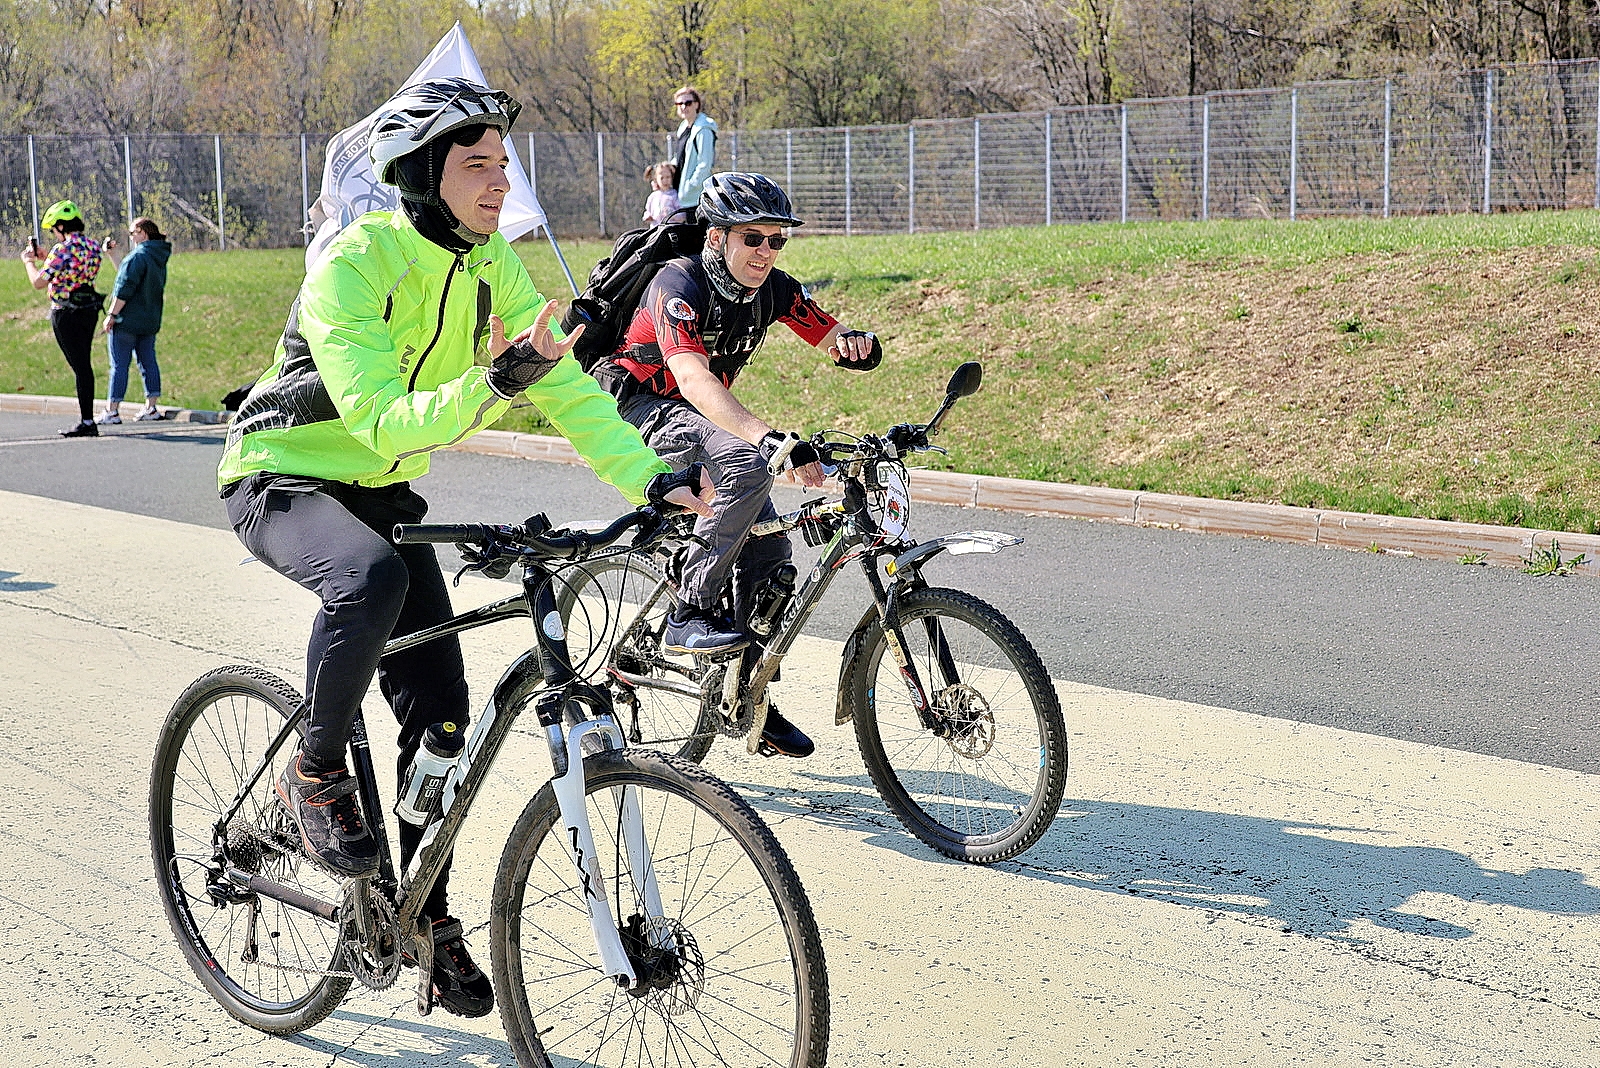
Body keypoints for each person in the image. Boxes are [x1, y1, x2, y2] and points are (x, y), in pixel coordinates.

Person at [216, 77, 713, 1019]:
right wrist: (495, 380)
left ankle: (425, 918)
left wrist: (649, 478)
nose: (499, 182)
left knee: (444, 722)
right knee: (367, 579)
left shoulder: (492, 264)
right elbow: (378, 417)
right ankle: (313, 769)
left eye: (503, 164)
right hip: (282, 474)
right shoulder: (354, 263)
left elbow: (562, 387)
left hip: (381, 488)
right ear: (421, 174)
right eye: (476, 165)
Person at [587, 172, 882, 758]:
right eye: (753, 238)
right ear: (718, 236)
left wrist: (854, 344)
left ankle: (746, 694)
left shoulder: (773, 289)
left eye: (777, 240)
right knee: (749, 462)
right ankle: (689, 610)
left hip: (698, 416)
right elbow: (691, 377)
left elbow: (826, 333)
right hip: (637, 405)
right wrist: (766, 438)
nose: (766, 252)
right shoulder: (678, 283)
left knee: (771, 556)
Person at [21, 200, 105, 437]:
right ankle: (87, 419)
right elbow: (75, 270)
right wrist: (46, 257)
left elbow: (38, 282)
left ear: (60, 226)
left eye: (53, 230)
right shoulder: (93, 246)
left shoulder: (62, 249)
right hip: (88, 308)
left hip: (65, 312)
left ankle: (87, 421)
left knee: (80, 366)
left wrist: (29, 261)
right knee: (84, 362)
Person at [98, 217, 172, 423]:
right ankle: (151, 407)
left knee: (119, 365)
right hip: (149, 319)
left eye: (133, 233)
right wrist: (113, 255)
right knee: (148, 362)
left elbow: (124, 287)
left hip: (127, 321)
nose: (131, 237)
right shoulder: (157, 255)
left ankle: (112, 410)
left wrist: (111, 315)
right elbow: (130, 275)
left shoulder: (138, 256)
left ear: (143, 233)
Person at [668, 87, 717, 213]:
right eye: (679, 103)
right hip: (681, 196)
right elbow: (679, 158)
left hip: (695, 199)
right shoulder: (683, 127)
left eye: (688, 103)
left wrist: (691, 186)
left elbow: (704, 164)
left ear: (696, 104)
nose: (683, 107)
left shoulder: (703, 129)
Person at [642, 160, 681, 226]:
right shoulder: (653, 196)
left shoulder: (674, 195)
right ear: (656, 179)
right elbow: (648, 211)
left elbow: (682, 215)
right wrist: (647, 217)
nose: (665, 180)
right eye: (662, 178)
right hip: (655, 228)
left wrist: (672, 214)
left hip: (671, 228)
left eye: (668, 177)